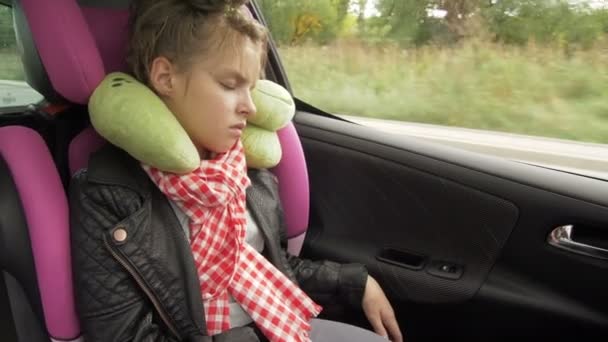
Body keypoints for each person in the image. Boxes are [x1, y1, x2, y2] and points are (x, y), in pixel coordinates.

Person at [69, 1, 403, 341]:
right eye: (230, 85)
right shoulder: (110, 195)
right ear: (165, 77)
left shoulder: (244, 171)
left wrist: (355, 283)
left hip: (276, 324)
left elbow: (272, 269)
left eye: (252, 88)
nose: (251, 107)